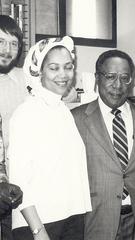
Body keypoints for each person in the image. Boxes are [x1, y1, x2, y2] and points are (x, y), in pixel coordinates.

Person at [8, 36, 92, 240]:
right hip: (39, 224)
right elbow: (19, 179)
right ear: (39, 71)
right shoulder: (26, 112)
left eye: (68, 66)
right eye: (54, 68)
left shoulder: (63, 110)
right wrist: (38, 231)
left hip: (71, 217)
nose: (63, 75)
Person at [71, 49, 135, 240]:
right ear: (97, 78)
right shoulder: (76, 119)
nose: (118, 85)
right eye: (110, 77)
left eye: (124, 78)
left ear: (131, 81)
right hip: (96, 222)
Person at [0, 15, 26, 239]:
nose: (6, 50)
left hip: (20, 182)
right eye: (0, 41)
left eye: (13, 43)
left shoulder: (27, 81)